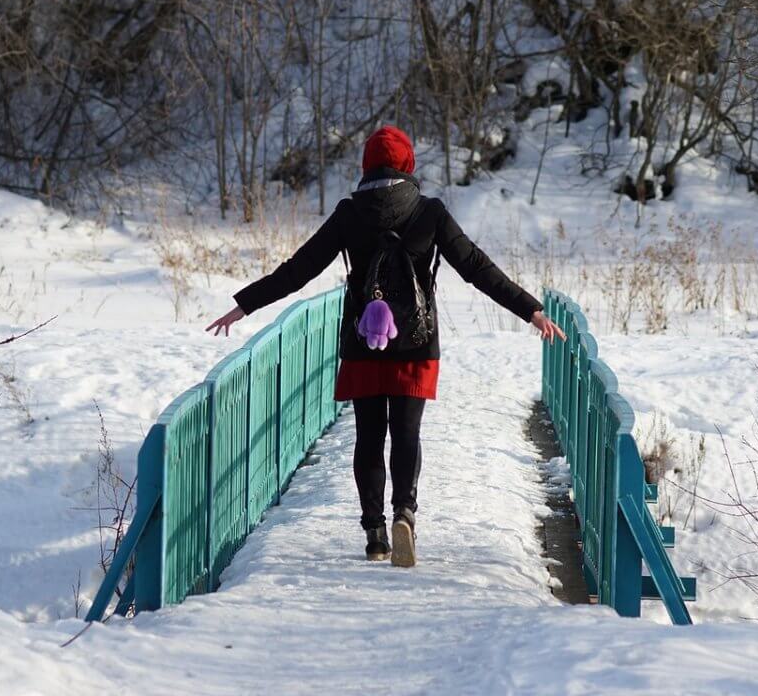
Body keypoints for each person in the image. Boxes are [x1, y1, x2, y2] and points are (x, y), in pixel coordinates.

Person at [206, 125, 565, 567]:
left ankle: (375, 533)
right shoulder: (430, 212)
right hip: (415, 343)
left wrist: (244, 305)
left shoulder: (348, 213)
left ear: (367, 165)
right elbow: (476, 266)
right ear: (408, 163)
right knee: (407, 434)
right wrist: (530, 309)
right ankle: (404, 515)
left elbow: (299, 269)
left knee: (369, 437)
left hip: (363, 343)